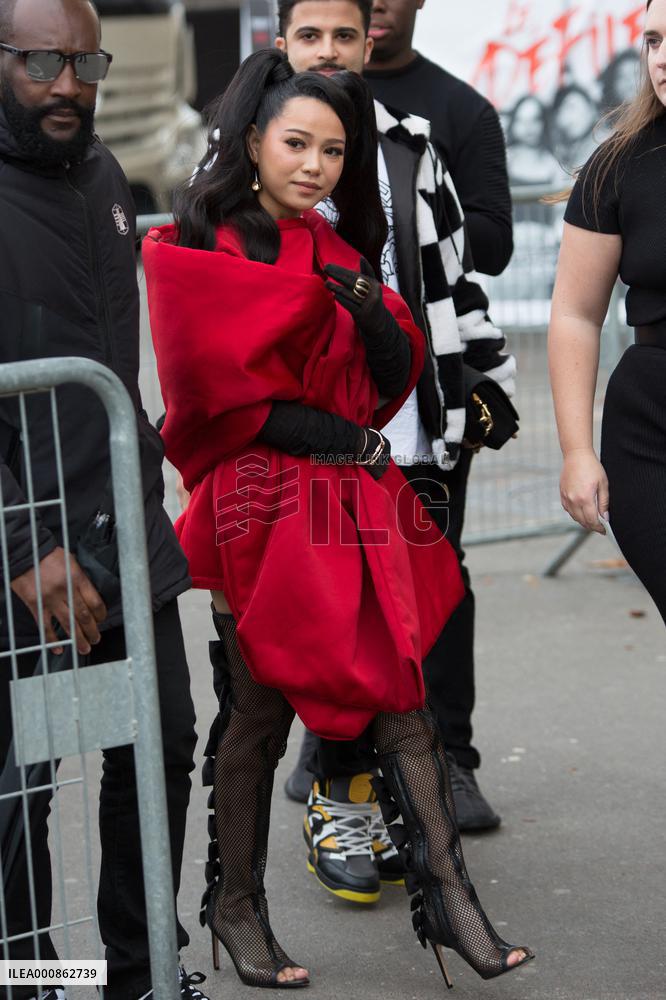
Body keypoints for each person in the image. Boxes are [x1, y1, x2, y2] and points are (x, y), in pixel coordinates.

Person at [144, 48, 533, 990]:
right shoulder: (203, 245)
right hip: (254, 504)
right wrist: (337, 434)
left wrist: (374, 322)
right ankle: (236, 908)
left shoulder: (339, 248)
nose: (316, 165)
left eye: (333, 150)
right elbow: (213, 396)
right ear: (252, 142)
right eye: (297, 144)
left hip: (340, 500)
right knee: (259, 710)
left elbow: (392, 379)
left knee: (404, 691)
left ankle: (450, 901)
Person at [276, 0, 514, 910]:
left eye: (349, 29)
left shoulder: (442, 123)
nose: (336, 45)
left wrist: (480, 381)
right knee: (330, 594)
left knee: (433, 581)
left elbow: (474, 251)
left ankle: (446, 760)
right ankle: (332, 757)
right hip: (316, 427)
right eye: (314, 33)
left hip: (424, 413)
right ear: (284, 39)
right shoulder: (269, 129)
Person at [0, 2, 208, 998]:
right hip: (16, 548)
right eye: (42, 60)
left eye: (86, 60)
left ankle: (139, 970)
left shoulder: (106, 178)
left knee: (160, 744)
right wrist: (26, 547)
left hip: (123, 531)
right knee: (17, 789)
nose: (70, 83)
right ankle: (31, 977)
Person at [549, 0, 666, 626]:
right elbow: (574, 313)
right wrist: (577, 452)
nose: (663, 58)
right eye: (653, 41)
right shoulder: (617, 166)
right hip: (651, 429)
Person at [363, 0, 513, 277]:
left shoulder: (466, 109)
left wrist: (408, 207)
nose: (376, 5)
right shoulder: (296, 100)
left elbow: (495, 248)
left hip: (429, 314)